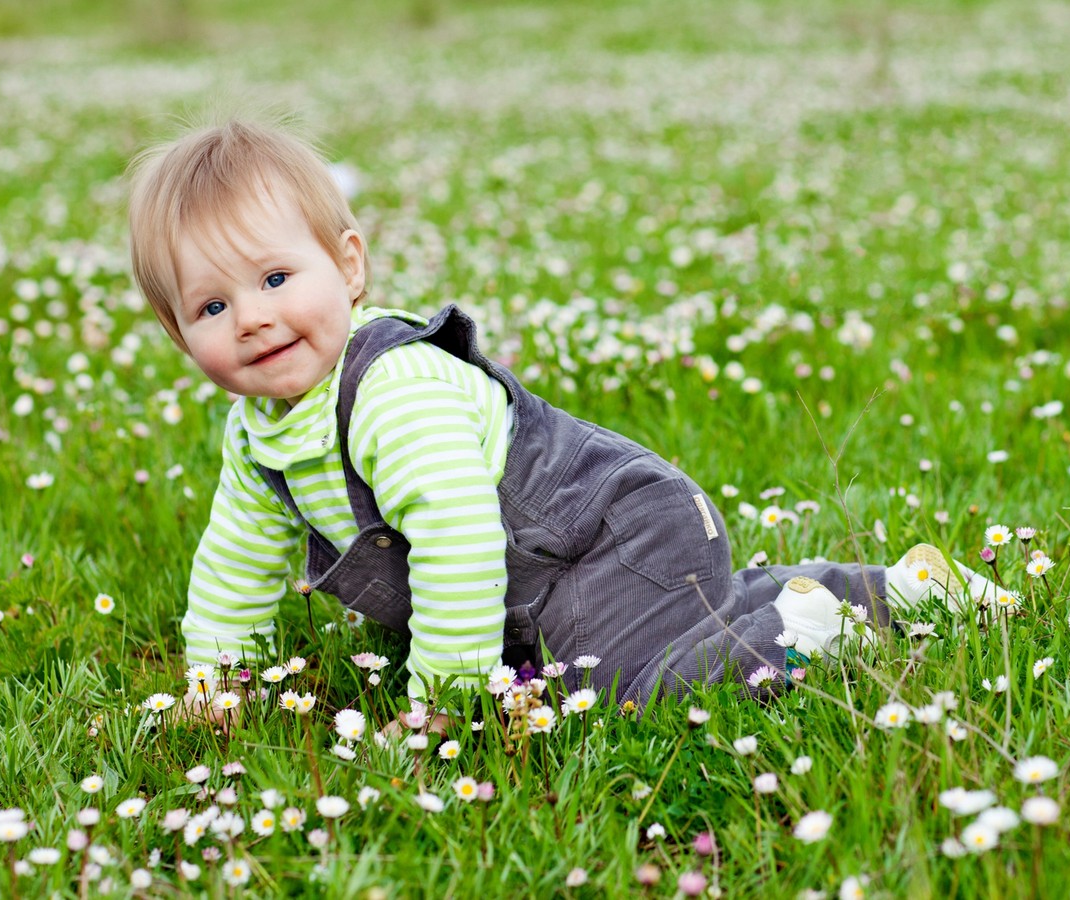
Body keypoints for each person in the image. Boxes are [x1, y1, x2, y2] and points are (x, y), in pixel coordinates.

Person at [126, 119, 1002, 713]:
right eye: (211, 307)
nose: (253, 317)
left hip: (611, 536)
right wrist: (214, 680)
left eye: (277, 278)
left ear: (347, 266)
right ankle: (893, 588)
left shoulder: (390, 393)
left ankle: (815, 626)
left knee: (634, 688)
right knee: (624, 651)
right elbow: (236, 561)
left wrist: (446, 701)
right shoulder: (260, 437)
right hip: (546, 583)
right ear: (177, 332)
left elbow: (462, 537)